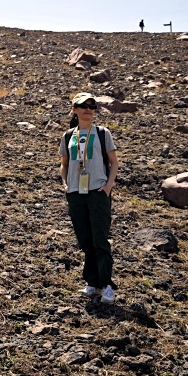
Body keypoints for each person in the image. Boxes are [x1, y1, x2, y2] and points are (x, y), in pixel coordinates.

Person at [59, 92, 119, 304]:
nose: (88, 109)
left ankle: (107, 285)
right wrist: (66, 184)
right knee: (85, 240)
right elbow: (64, 164)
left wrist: (108, 186)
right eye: (83, 105)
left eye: (92, 106)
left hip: (97, 192)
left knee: (100, 240)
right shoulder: (68, 136)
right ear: (74, 109)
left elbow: (114, 163)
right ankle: (92, 283)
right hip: (76, 193)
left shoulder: (103, 133)